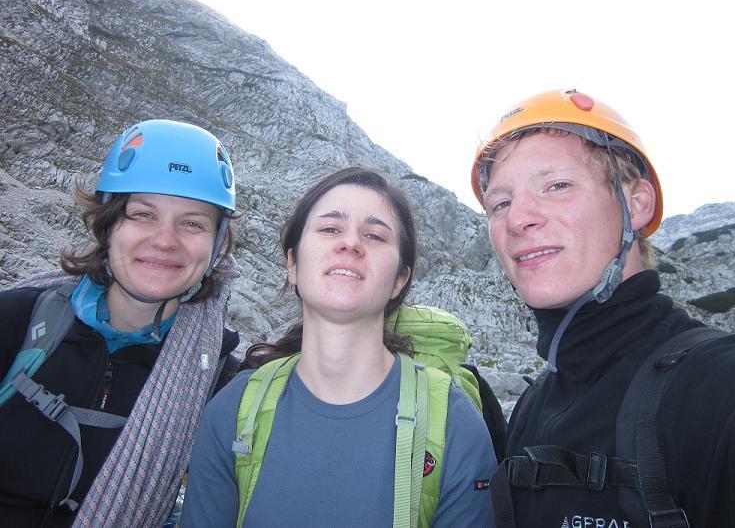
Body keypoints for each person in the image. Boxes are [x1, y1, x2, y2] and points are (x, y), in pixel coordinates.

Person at [469, 89, 735, 527]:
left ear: (636, 204)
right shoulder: (533, 404)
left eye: (557, 186)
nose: (517, 219)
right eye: (500, 203)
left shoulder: (722, 386)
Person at [181, 167, 496, 527]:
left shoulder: (454, 424)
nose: (351, 243)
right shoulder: (234, 410)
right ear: (293, 264)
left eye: (375, 235)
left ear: (400, 279)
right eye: (330, 229)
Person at [0, 119, 242, 527]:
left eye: (192, 223)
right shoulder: (17, 320)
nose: (164, 240)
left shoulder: (221, 384)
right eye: (143, 214)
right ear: (109, 223)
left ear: (216, 245)